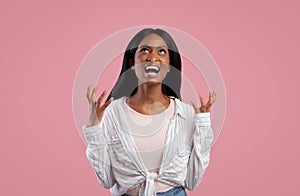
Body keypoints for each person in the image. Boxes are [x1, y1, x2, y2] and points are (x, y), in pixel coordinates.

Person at [83, 28, 216, 196]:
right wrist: (94, 127)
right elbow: (106, 180)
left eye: (161, 52)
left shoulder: (186, 114)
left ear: (169, 66)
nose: (153, 57)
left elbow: (192, 181)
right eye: (145, 50)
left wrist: (203, 123)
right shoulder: (112, 113)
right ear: (132, 63)